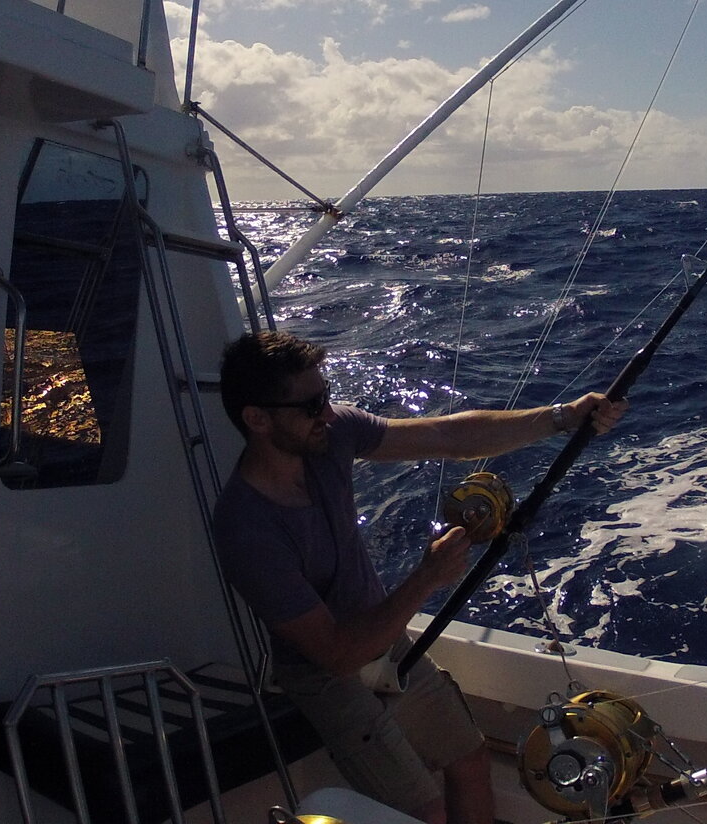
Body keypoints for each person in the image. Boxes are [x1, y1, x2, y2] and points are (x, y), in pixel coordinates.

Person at [212, 330, 627, 824]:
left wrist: (562, 417)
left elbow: (450, 437)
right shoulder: (246, 529)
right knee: (426, 813)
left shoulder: (331, 435)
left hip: (387, 644)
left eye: (326, 396)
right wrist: (427, 577)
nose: (327, 413)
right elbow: (337, 654)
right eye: (310, 406)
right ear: (257, 419)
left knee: (470, 759)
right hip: (326, 678)